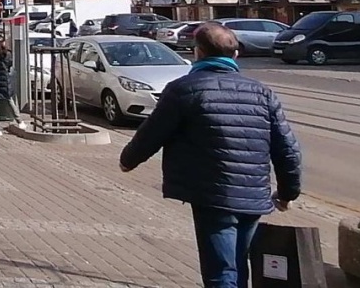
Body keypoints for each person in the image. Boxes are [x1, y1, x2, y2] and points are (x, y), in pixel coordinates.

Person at [118, 22, 302, 288]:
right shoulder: (262, 92)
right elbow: (287, 147)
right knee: (239, 265)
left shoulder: (184, 89)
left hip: (212, 194)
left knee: (221, 272)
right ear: (235, 55)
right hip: (253, 193)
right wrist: (288, 193)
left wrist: (128, 161)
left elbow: (152, 133)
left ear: (199, 53)